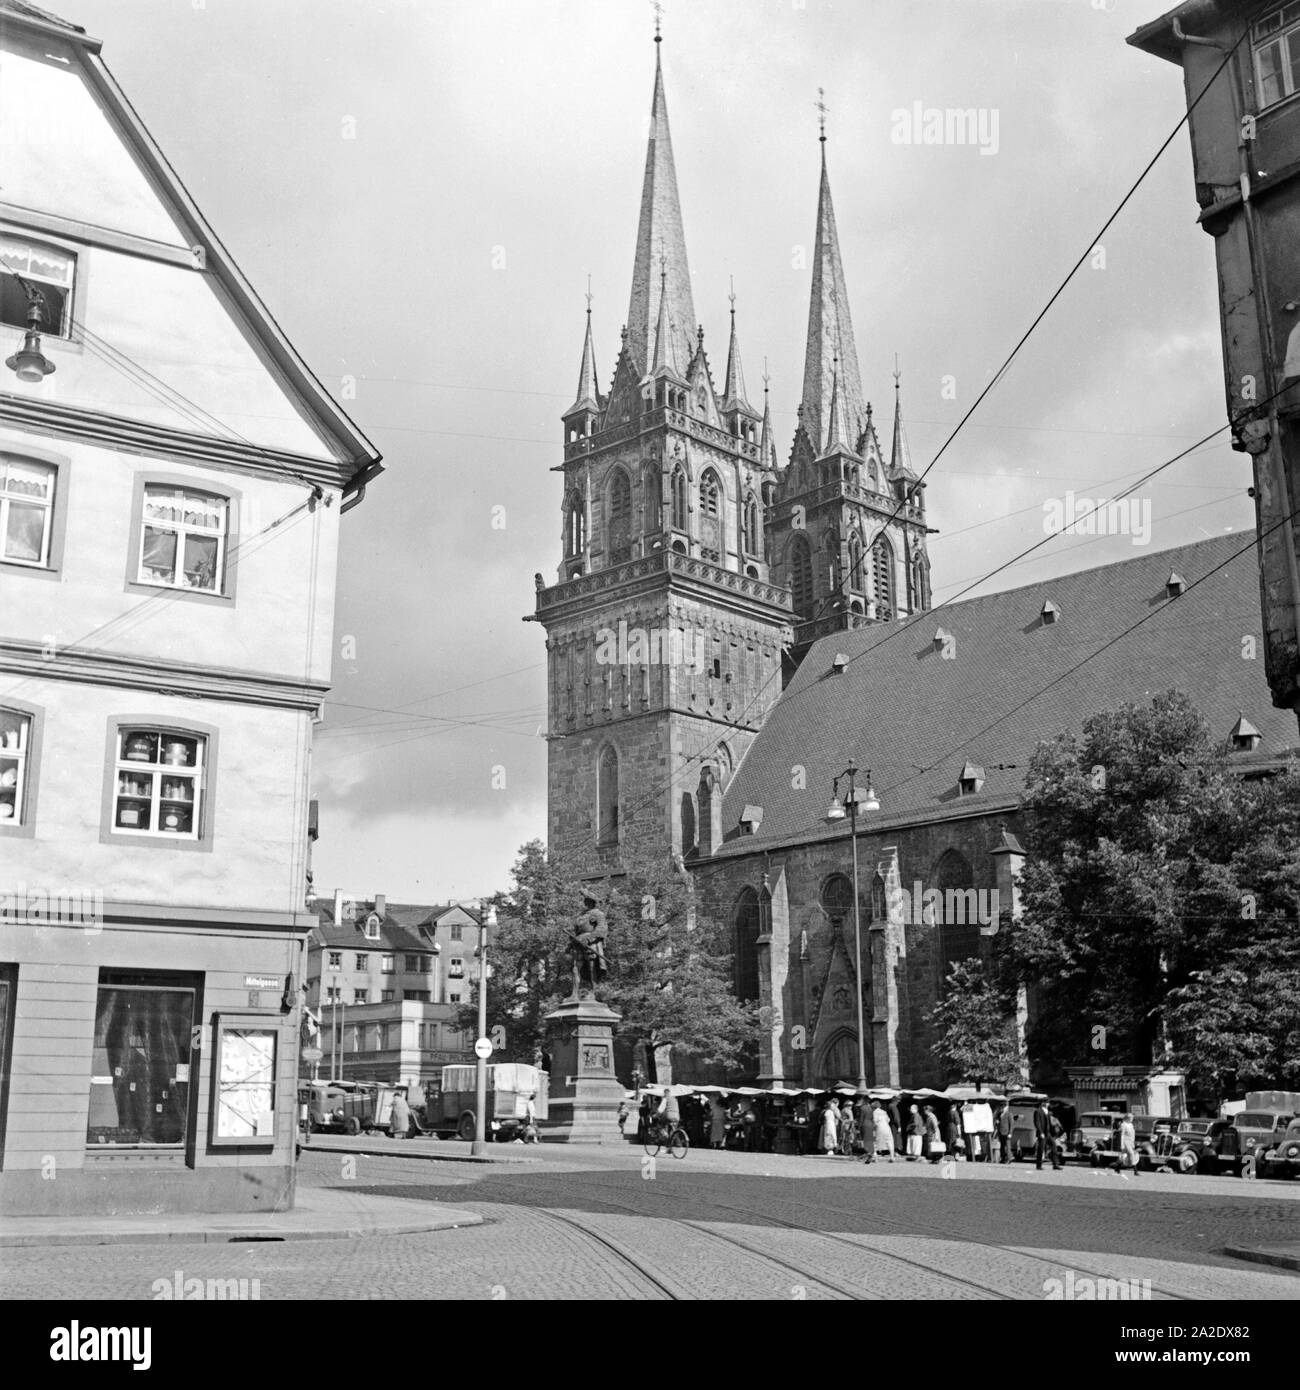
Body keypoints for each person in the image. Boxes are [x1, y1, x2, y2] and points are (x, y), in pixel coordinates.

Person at [1034, 1100, 1062, 1171]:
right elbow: (1037, 1123)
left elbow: (1049, 1123)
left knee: (1054, 1147)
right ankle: (1039, 1165)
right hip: (1042, 1133)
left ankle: (1055, 1164)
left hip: (1048, 1133)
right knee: (1041, 1149)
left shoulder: (1047, 1112)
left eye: (1048, 1103)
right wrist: (1040, 1133)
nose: (1048, 1104)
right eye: (1046, 1103)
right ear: (1043, 1103)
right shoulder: (1038, 1111)